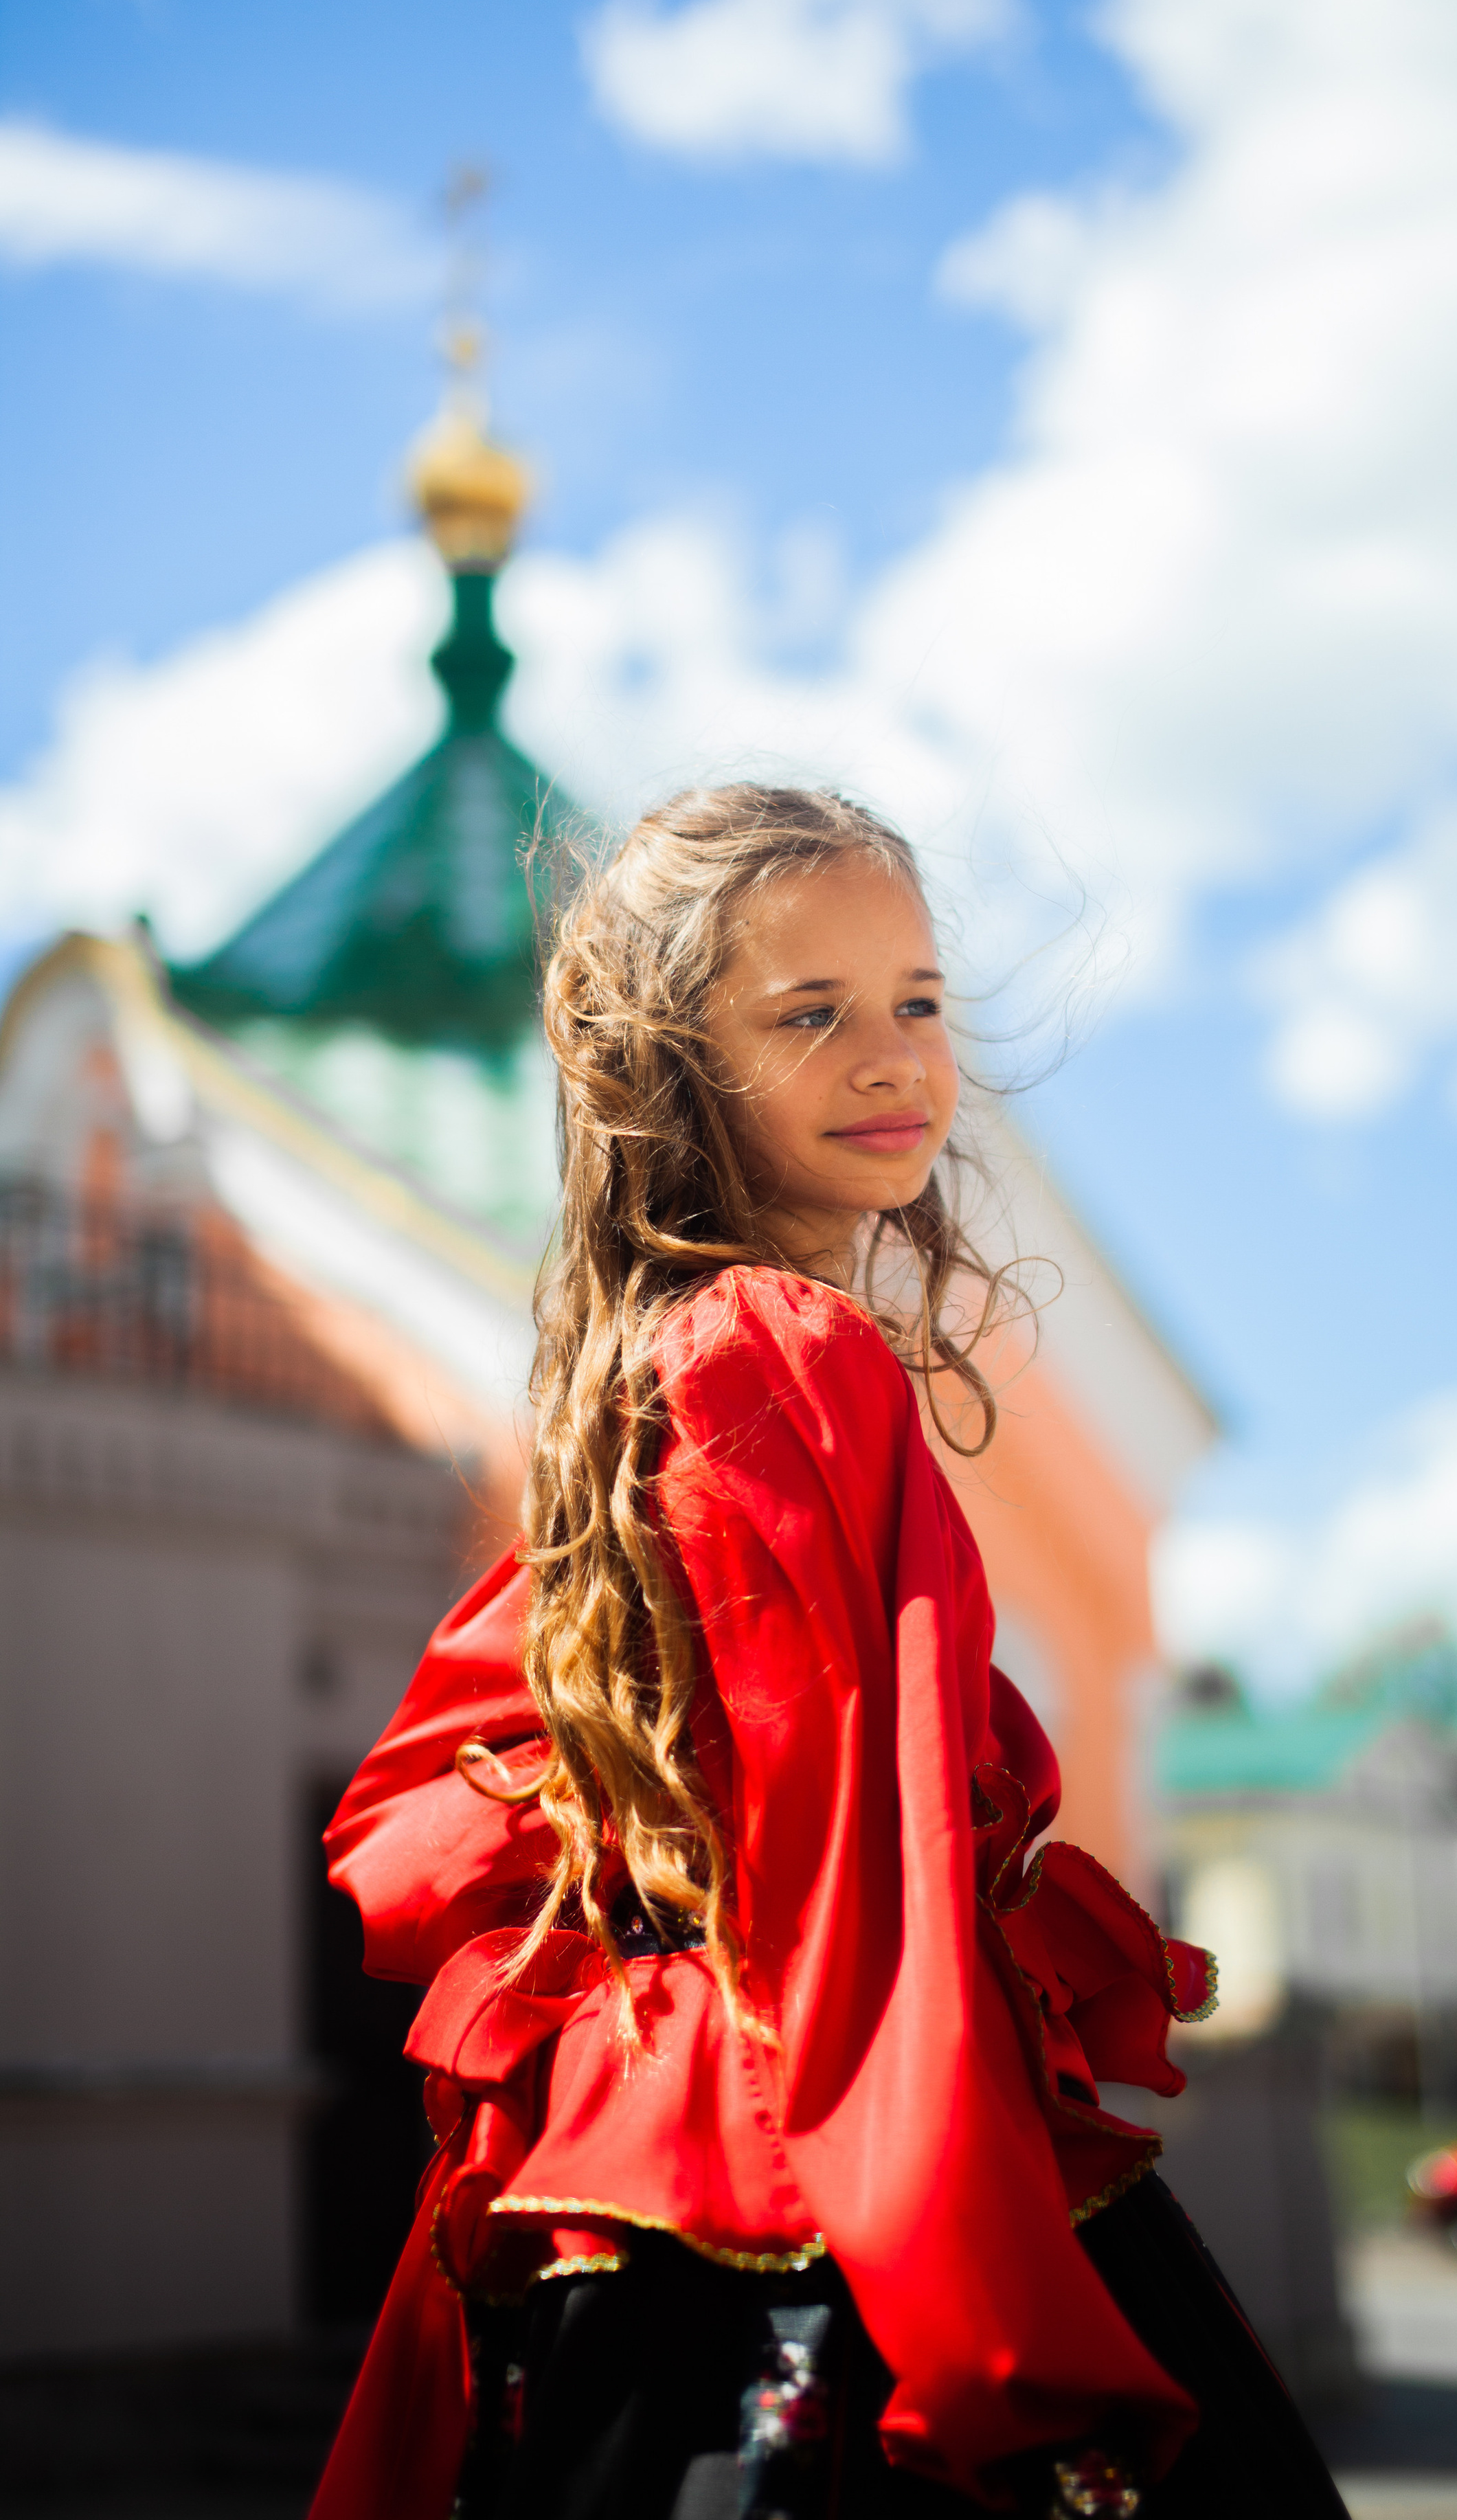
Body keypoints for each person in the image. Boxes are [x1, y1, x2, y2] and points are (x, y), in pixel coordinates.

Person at [309, 785, 1346, 2520]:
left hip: (654, 2133)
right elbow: (852, 1871)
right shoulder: (782, 1350)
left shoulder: (655, 1358)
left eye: (916, 999)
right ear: (677, 1070)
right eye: (807, 1014)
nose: (891, 1058)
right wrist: (986, 2319)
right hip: (805, 2139)